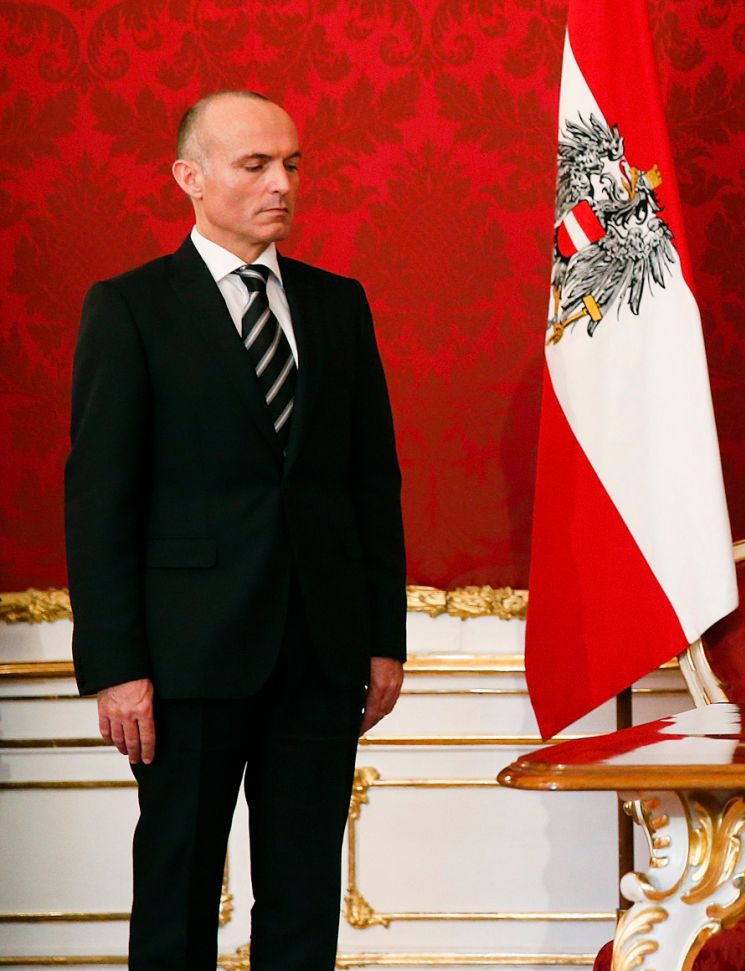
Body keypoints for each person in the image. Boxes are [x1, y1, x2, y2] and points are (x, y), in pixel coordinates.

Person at [65, 90, 406, 970]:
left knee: (301, 900)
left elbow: (373, 484)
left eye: (291, 163)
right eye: (255, 165)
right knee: (176, 889)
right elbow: (99, 501)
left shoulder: (339, 305)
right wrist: (116, 666)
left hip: (321, 652)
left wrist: (382, 639)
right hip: (184, 661)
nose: (281, 183)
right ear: (191, 176)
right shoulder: (131, 307)